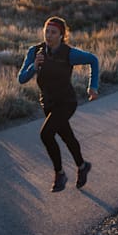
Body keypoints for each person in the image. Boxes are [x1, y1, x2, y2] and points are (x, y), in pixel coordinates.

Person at [18, 16, 99, 192]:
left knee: (46, 134)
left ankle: (59, 174)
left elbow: (93, 60)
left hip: (66, 102)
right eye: (46, 31)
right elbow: (21, 79)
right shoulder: (35, 51)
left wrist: (93, 86)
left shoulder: (69, 53)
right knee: (66, 135)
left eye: (53, 32)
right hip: (47, 103)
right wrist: (33, 66)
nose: (49, 35)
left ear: (61, 35)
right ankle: (82, 165)